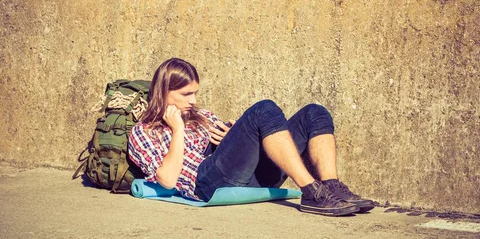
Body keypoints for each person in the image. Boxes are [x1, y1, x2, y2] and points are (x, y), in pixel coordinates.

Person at [128, 58, 375, 216]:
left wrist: (233, 136)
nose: (193, 101)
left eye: (195, 93)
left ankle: (331, 187)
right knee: (263, 109)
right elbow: (168, 180)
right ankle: (313, 192)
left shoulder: (200, 116)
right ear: (164, 92)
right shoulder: (144, 131)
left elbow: (233, 149)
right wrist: (178, 130)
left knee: (315, 113)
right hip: (207, 184)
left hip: (248, 179)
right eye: (185, 94)